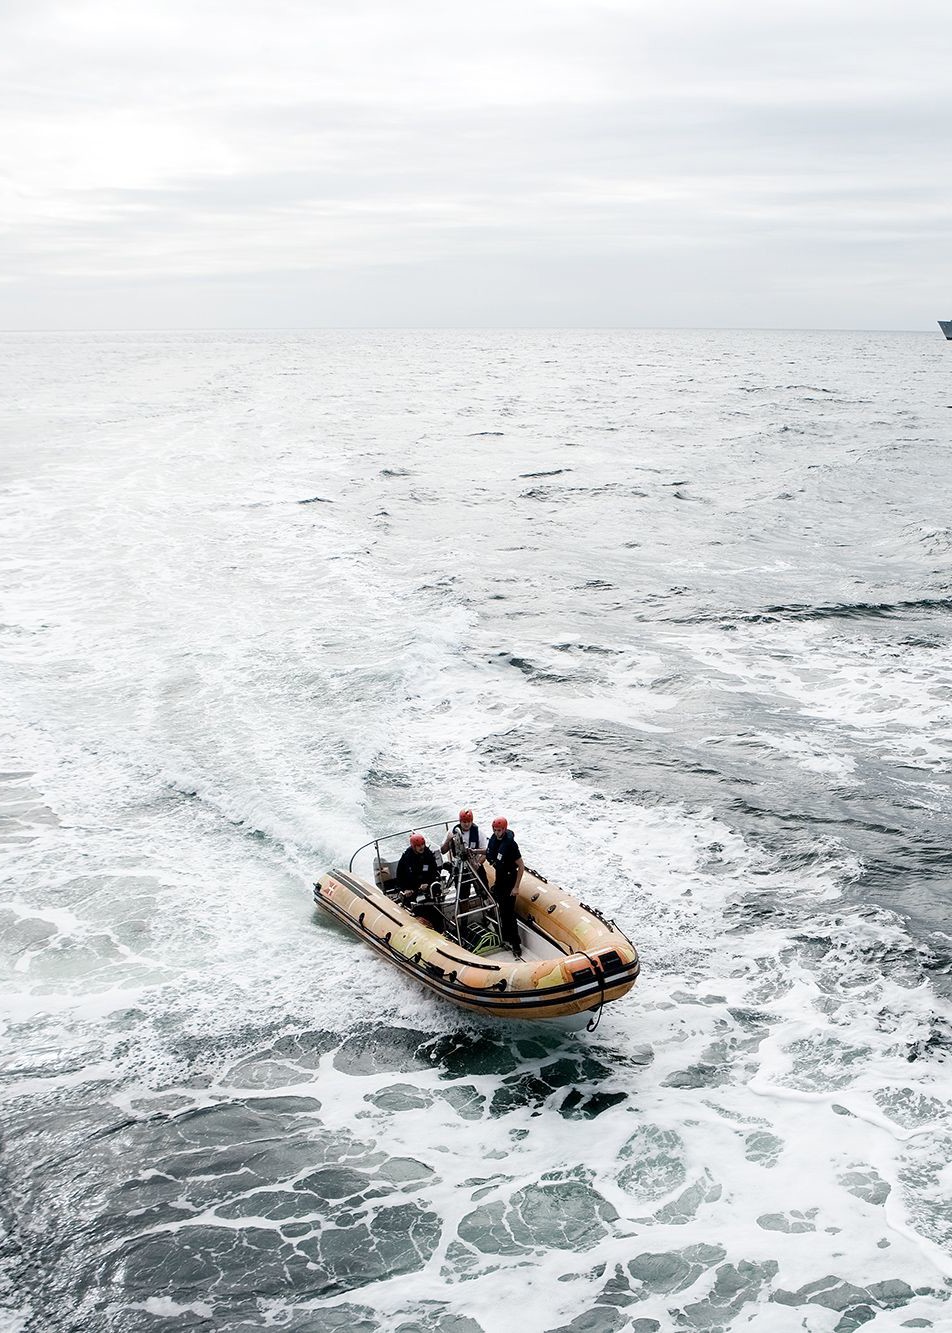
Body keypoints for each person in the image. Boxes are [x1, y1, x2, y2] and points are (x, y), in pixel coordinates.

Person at [485, 816, 524, 959]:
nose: (497, 833)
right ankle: (504, 935)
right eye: (495, 830)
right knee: (500, 909)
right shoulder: (494, 841)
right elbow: (490, 853)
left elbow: (521, 866)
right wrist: (476, 852)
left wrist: (516, 887)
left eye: (499, 830)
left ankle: (516, 944)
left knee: (509, 913)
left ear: (505, 829)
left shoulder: (511, 845)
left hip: (510, 880)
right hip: (500, 879)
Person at [395, 833, 442, 928]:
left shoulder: (428, 855)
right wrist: (405, 889)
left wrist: (428, 884)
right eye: (418, 846)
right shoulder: (406, 858)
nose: (421, 847)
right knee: (413, 908)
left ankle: (439, 926)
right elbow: (400, 876)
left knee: (436, 906)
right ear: (413, 847)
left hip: (426, 886)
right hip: (411, 887)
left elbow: (434, 871)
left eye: (422, 845)